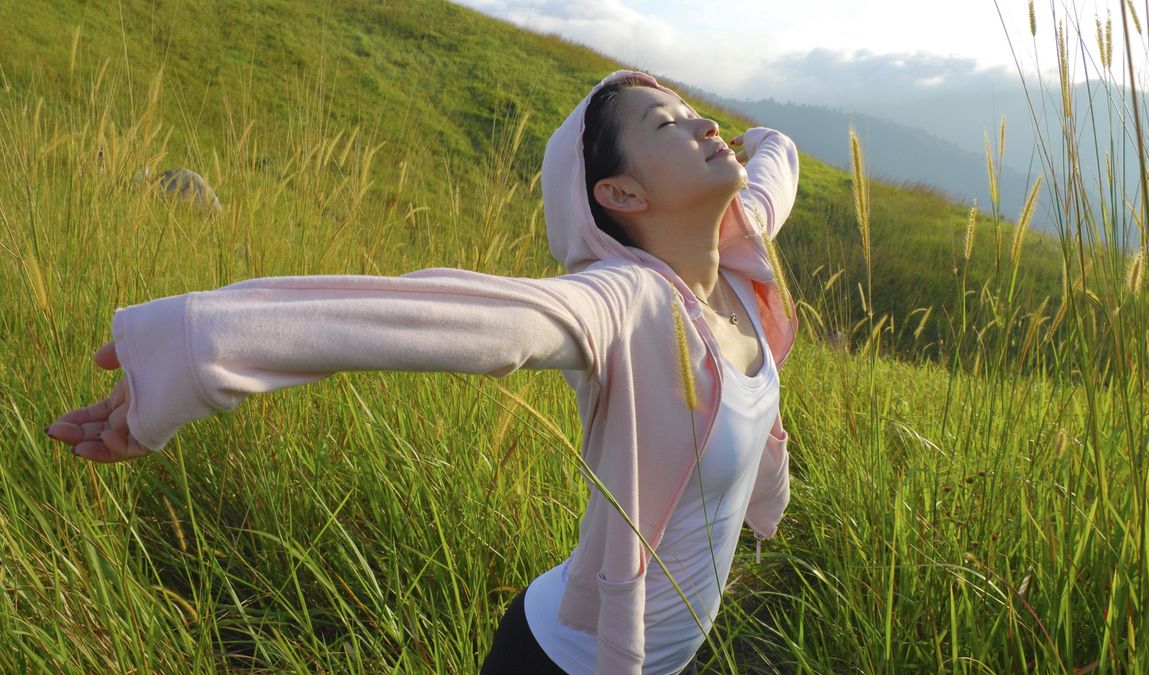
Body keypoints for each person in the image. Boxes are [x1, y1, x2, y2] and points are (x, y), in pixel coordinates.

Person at [46, 70, 800, 674]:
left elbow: (778, 166)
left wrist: (761, 135)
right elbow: (451, 316)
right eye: (666, 124)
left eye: (693, 111)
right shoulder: (629, 304)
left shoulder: (738, 263)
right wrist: (194, 345)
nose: (701, 124)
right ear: (622, 194)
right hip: (563, 659)